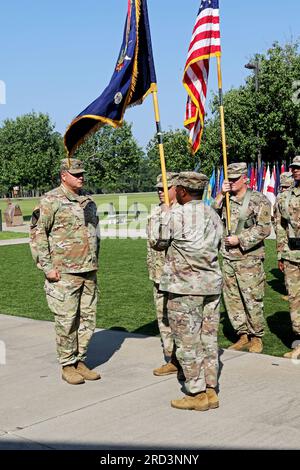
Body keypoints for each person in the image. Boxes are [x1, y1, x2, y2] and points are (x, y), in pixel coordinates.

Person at [149, 171, 223, 411]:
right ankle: (211, 388)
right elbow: (219, 243)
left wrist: (163, 216)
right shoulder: (212, 213)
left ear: (181, 191)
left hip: (185, 288)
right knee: (209, 340)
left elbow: (157, 242)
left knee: (188, 342)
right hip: (211, 285)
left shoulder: (176, 214)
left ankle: (196, 392)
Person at [35, 158, 101, 385]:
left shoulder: (88, 202)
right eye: (76, 174)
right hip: (64, 273)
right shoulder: (51, 200)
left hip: (88, 269)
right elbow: (38, 234)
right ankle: (67, 364)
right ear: (64, 175)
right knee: (66, 320)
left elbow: (94, 233)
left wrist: (94, 260)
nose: (81, 177)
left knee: (87, 319)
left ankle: (80, 359)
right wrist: (47, 266)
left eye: (82, 173)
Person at [214, 162, 271, 353]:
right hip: (229, 257)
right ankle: (242, 335)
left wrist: (240, 239)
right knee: (232, 298)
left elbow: (263, 228)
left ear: (244, 178)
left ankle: (256, 337)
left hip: (249, 259)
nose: (231, 182)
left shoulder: (258, 199)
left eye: (234, 179)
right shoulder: (226, 200)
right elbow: (212, 216)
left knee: (252, 298)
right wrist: (221, 195)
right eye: (228, 179)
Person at [146, 172, 184, 378]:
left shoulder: (184, 212)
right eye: (158, 188)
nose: (160, 192)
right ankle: (171, 358)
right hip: (158, 273)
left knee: (180, 319)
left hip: (177, 275)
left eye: (164, 188)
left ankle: (184, 360)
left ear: (176, 189)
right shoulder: (155, 211)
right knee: (163, 318)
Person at [275, 156, 300, 358]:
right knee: (294, 299)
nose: (295, 170)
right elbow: (281, 226)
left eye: (299, 167)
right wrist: (281, 253)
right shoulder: (285, 197)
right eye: (293, 167)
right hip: (292, 254)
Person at [273, 172, 293, 301]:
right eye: (283, 187)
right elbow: (278, 225)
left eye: (287, 187)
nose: (284, 190)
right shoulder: (281, 198)